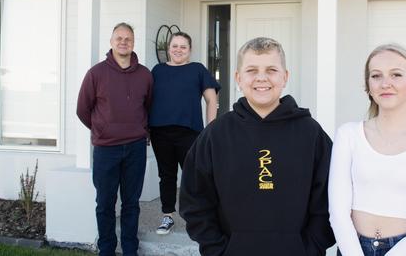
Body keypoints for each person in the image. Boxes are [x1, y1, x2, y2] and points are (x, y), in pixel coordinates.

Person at [179, 37, 335, 256]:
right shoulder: (216, 134)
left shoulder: (311, 134)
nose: (261, 78)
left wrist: (310, 247)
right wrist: (218, 250)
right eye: (252, 70)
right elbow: (194, 201)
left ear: (285, 77)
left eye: (271, 69)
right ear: (238, 78)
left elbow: (331, 200)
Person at [329, 43, 406, 256]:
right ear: (368, 86)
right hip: (353, 250)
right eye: (376, 76)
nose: (385, 83)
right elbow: (338, 214)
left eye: (396, 75)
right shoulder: (348, 135)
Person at [76, 22, 153, 256]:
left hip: (135, 148)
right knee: (105, 204)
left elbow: (149, 107)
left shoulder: (145, 75)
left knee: (131, 203)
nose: (123, 42)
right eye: (119, 38)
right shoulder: (96, 73)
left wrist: (140, 129)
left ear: (133, 42)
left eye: (128, 38)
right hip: (106, 149)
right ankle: (106, 250)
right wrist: (101, 130)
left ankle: (130, 249)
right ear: (111, 42)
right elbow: (82, 109)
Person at [147, 31, 220, 235]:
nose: (178, 50)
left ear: (189, 50)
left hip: (189, 132)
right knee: (167, 175)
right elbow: (148, 100)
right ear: (168, 48)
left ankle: (199, 218)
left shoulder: (197, 70)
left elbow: (211, 100)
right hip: (160, 133)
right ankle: (167, 216)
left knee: (194, 177)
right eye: (175, 46)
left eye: (183, 46)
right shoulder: (157, 70)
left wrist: (209, 131)